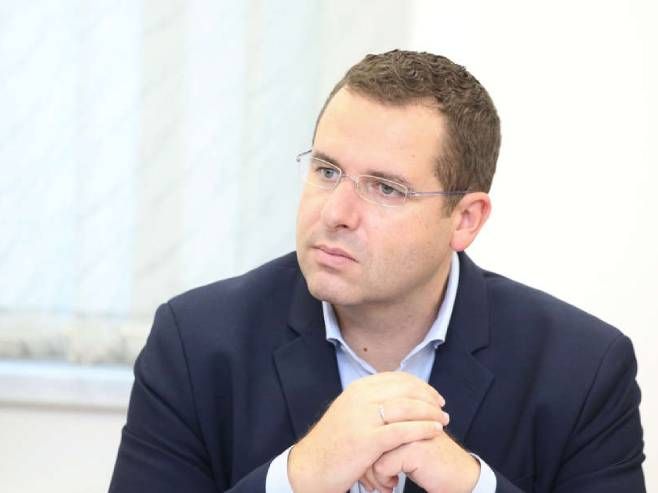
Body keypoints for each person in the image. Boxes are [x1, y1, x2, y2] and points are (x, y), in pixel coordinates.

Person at [109, 50, 645, 493]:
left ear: (465, 220)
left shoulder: (583, 370)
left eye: (386, 188)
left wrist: (471, 486)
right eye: (327, 171)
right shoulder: (196, 342)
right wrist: (297, 478)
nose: (335, 213)